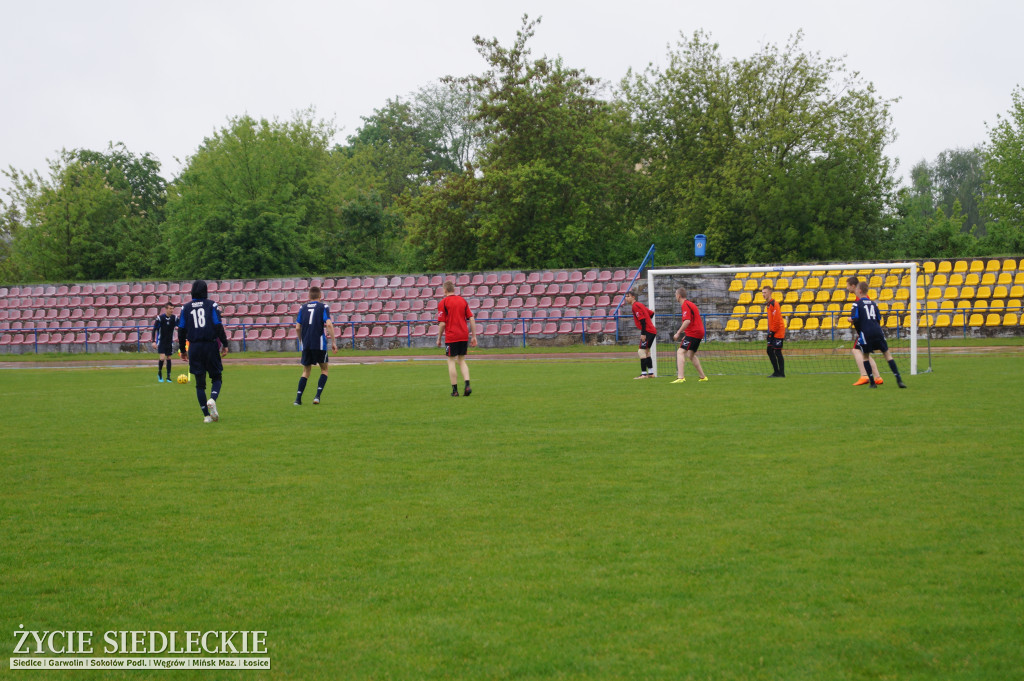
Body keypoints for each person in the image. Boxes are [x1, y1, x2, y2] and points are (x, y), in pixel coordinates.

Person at [178, 280, 230, 422]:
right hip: (210, 345)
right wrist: (225, 344)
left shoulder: (185, 308)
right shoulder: (211, 305)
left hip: (194, 347)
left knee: (199, 384)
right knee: (217, 378)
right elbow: (218, 325)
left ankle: (206, 416)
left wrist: (183, 349)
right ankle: (212, 399)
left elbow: (181, 330)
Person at [851, 280, 907, 389]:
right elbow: (878, 318)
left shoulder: (856, 304)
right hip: (877, 331)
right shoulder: (873, 303)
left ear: (860, 290)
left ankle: (872, 382)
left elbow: (856, 319)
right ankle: (899, 379)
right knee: (887, 355)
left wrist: (859, 331)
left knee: (865, 356)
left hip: (866, 332)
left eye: (857, 290)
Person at [294, 285, 338, 406]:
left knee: (306, 371)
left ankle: (298, 399)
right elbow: (328, 324)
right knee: (324, 370)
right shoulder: (323, 306)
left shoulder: (302, 308)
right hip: (319, 344)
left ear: (309, 296)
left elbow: (297, 327)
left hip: (306, 344)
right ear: (320, 296)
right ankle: (317, 397)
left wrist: (301, 341)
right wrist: (333, 342)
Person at [436, 281, 478, 397]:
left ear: (445, 290)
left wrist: (439, 338)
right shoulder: (462, 301)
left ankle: (455, 391)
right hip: (463, 335)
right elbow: (471, 318)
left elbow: (442, 324)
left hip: (451, 335)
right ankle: (467, 384)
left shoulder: (443, 303)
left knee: (451, 361)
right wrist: (474, 336)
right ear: (454, 289)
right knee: (462, 360)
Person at [846, 276, 882, 386]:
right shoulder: (863, 298)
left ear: (853, 286)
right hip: (870, 329)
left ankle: (864, 376)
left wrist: (852, 319)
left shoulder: (859, 299)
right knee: (864, 353)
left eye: (847, 286)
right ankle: (877, 377)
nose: (847, 288)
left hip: (865, 330)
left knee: (856, 350)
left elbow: (862, 315)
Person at [671, 287, 709, 383]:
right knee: (691, 354)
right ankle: (703, 377)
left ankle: (680, 377)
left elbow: (687, 321)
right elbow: (693, 320)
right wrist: (687, 334)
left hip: (695, 332)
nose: (675, 296)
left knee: (680, 352)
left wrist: (678, 333)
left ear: (679, 296)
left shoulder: (685, 305)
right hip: (698, 332)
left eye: (676, 294)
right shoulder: (690, 304)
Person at [624, 289, 657, 379]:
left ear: (633, 297)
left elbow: (642, 320)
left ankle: (643, 374)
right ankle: (651, 373)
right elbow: (651, 314)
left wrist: (643, 333)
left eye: (628, 296)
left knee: (641, 351)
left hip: (648, 331)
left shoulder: (635, 306)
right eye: (625, 297)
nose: (626, 298)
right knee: (646, 352)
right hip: (651, 331)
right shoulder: (640, 305)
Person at [762, 284, 786, 377]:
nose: (763, 294)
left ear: (770, 293)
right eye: (762, 293)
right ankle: (776, 372)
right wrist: (769, 332)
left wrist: (772, 332)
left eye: (765, 293)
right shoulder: (768, 305)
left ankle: (781, 373)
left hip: (778, 331)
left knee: (777, 351)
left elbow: (776, 320)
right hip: (772, 331)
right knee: (769, 350)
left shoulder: (774, 304)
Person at [151, 302, 177, 383]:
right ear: (166, 309)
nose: (172, 310)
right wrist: (153, 341)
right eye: (170, 309)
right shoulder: (160, 318)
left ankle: (168, 377)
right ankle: (160, 373)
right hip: (161, 341)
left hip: (170, 342)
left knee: (169, 358)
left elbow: (181, 326)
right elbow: (154, 329)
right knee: (162, 358)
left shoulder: (175, 318)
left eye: (173, 308)